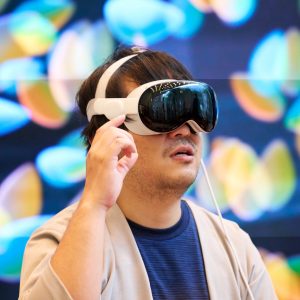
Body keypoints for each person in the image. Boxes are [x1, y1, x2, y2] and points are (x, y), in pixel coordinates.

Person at [19, 46, 277, 300]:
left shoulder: (233, 245)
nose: (185, 130)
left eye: (196, 110)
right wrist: (94, 203)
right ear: (110, 132)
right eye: (163, 110)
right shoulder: (59, 241)